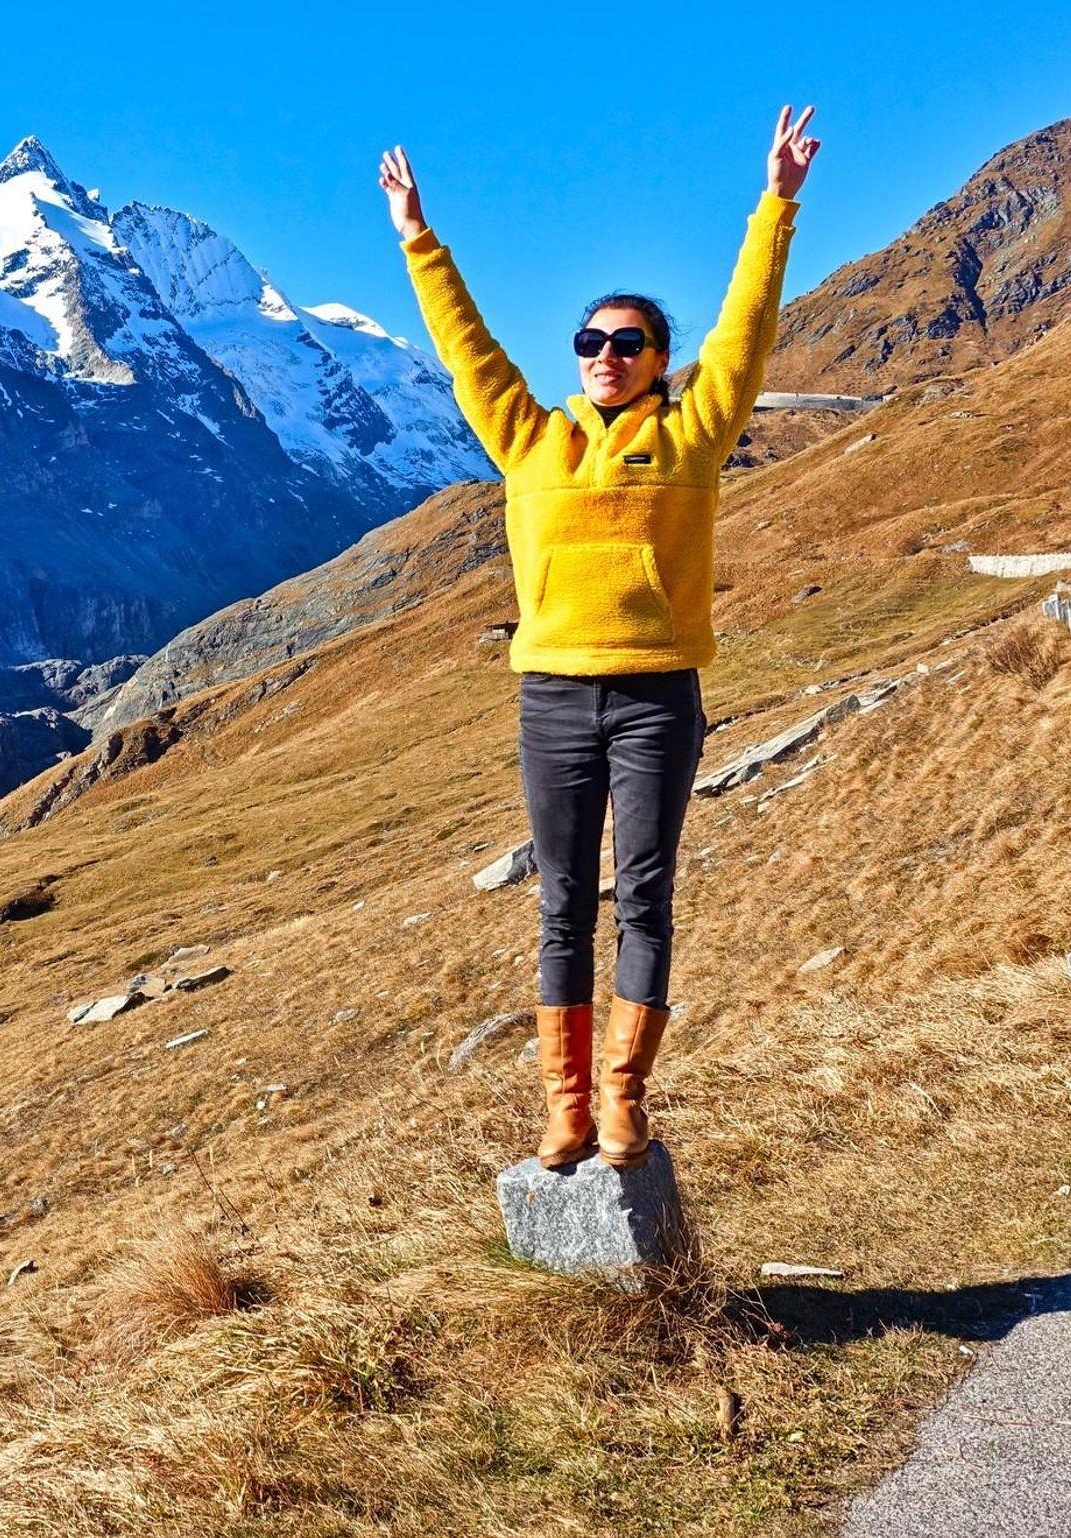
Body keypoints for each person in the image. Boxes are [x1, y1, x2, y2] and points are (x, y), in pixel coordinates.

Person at [379, 107, 821, 1170]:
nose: (605, 356)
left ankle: (623, 1096)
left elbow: (744, 334)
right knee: (562, 903)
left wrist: (776, 206)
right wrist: (417, 240)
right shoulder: (529, 439)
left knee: (646, 896)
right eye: (590, 343)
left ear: (659, 361)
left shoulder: (692, 433)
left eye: (627, 343)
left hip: (657, 693)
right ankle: (565, 1106)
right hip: (552, 698)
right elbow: (467, 353)